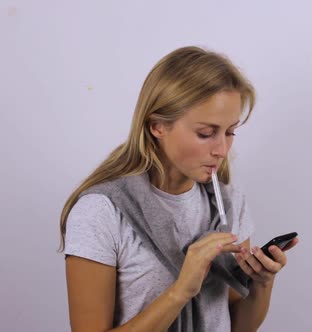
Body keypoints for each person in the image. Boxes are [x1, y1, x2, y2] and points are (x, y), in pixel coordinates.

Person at [58, 46, 298, 332]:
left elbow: (239, 326)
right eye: (205, 133)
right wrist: (180, 290)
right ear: (158, 125)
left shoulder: (230, 204)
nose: (222, 149)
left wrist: (262, 282)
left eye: (230, 132)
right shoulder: (101, 211)